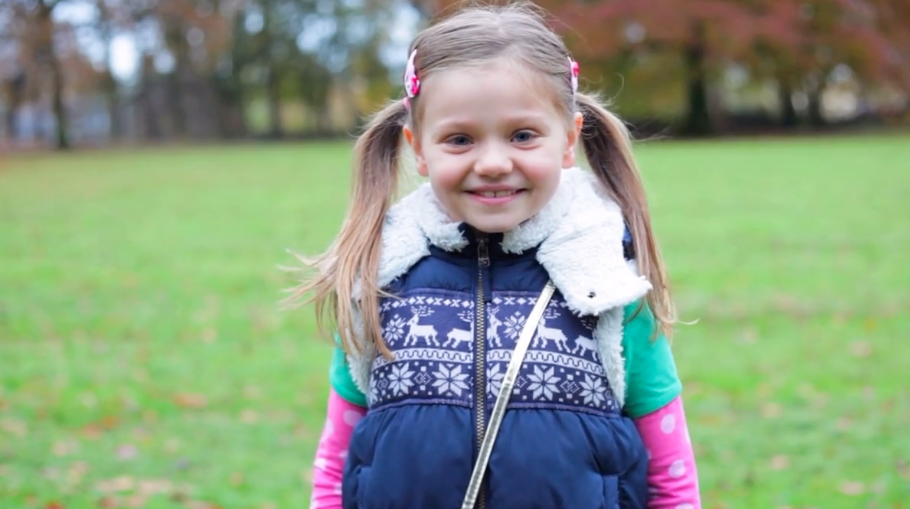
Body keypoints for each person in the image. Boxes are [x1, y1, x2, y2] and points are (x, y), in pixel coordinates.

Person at [288, 3, 700, 508]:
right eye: (460, 139)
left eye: (522, 135)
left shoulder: (609, 286)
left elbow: (671, 480)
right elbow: (336, 465)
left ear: (568, 139)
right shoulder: (377, 279)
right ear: (419, 148)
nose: (493, 163)